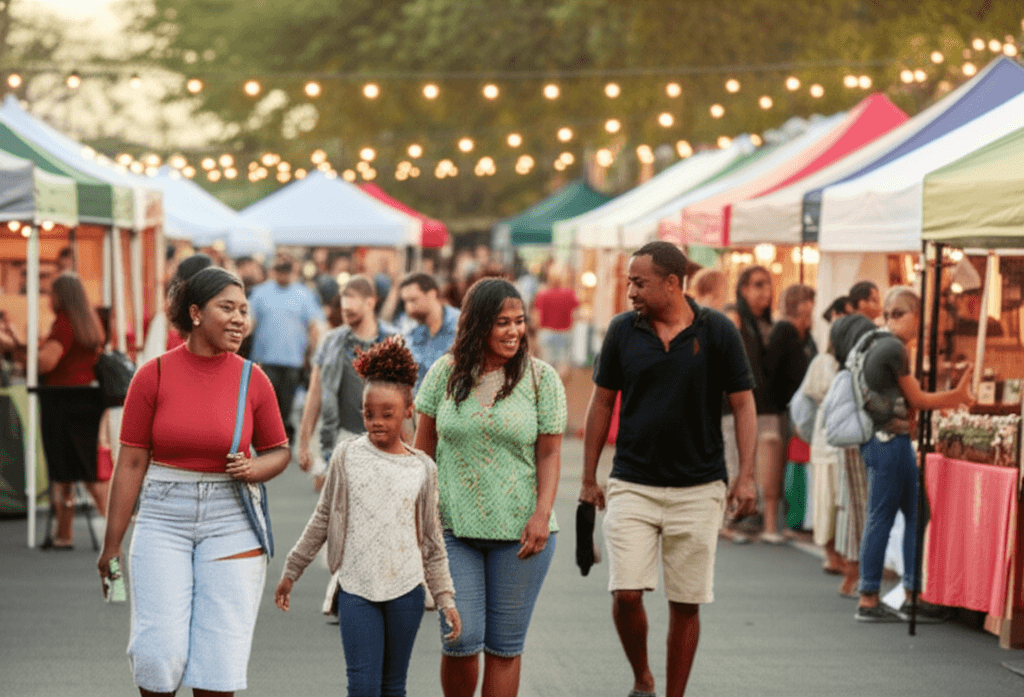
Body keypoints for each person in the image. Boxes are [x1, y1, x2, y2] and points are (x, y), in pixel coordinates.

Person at [97, 266, 290, 695]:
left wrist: (257, 468)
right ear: (196, 312)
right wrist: (111, 545)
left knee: (219, 661)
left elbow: (279, 450)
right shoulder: (153, 375)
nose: (241, 318)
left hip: (232, 518)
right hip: (163, 515)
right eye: (228, 308)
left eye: (244, 309)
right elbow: (130, 463)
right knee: (156, 652)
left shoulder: (252, 379)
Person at [579, 242, 758, 697]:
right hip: (632, 483)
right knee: (626, 593)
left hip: (699, 487)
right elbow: (601, 403)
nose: (630, 292)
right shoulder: (622, 331)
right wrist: (587, 478)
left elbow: (743, 404)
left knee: (686, 602)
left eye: (639, 283)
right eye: (629, 283)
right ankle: (642, 676)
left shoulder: (717, 330)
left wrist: (746, 475)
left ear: (672, 283)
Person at [276, 337, 462, 697]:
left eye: (387, 414)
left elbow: (432, 543)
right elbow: (322, 518)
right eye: (368, 413)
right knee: (362, 687)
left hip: (406, 591)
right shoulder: (346, 456)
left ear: (409, 410)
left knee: (393, 687)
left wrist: (446, 599)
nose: (376, 422)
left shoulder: (423, 468)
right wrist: (291, 570)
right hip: (356, 589)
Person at [414, 277, 566, 697]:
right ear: (477, 324)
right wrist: (416, 518)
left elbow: (550, 455)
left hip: (521, 535)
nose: (514, 331)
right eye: (502, 322)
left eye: (519, 322)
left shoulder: (541, 380)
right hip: (451, 530)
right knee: (460, 639)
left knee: (503, 648)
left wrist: (541, 514)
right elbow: (422, 451)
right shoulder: (444, 373)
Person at [854, 287, 973, 622]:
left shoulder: (878, 341)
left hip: (890, 440)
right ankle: (869, 596)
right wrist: (956, 396)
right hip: (888, 441)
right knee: (884, 516)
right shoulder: (892, 346)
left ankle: (909, 591)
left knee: (916, 512)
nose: (915, 325)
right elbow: (918, 398)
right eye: (893, 314)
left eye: (904, 315)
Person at [298, 276, 398, 487]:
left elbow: (406, 397)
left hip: (382, 440)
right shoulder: (331, 341)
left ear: (371, 302)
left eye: (352, 304)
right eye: (344, 308)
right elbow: (315, 393)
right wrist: (304, 442)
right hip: (340, 438)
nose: (346, 311)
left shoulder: (393, 340)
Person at [38, 272, 107, 549]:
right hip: (88, 398)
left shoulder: (63, 324)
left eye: (51, 294)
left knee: (62, 468)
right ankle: (108, 525)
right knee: (88, 468)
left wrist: (32, 351)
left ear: (61, 296)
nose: (48, 299)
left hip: (61, 400)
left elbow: (47, 363)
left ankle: (64, 533)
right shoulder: (90, 322)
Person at [802, 299, 854, 586]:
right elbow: (810, 394)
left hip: (842, 440)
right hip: (826, 440)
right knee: (827, 500)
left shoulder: (847, 363)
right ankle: (830, 552)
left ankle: (842, 554)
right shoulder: (823, 363)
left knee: (841, 500)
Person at [248, 252, 324, 444]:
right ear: (274, 271)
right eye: (280, 270)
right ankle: (267, 437)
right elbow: (250, 321)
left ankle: (283, 438)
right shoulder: (260, 293)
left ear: (294, 271)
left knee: (287, 404)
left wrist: (312, 355)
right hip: (266, 358)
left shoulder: (304, 294)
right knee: (266, 402)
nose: (283, 275)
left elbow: (314, 326)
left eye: (287, 271)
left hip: (293, 359)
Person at [734, 265, 784, 542]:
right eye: (757, 284)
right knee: (740, 461)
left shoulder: (770, 325)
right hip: (739, 405)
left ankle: (767, 524)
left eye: (768, 284)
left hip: (766, 406)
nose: (765, 291)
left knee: (768, 468)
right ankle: (735, 520)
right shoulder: (737, 321)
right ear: (743, 289)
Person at [398, 272, 460, 393]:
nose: (408, 308)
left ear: (431, 294)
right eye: (405, 302)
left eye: (413, 300)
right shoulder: (410, 329)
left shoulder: (460, 325)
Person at [532, 263, 579, 380]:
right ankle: (557, 388)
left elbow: (536, 318)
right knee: (564, 365)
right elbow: (576, 316)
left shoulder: (542, 295)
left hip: (546, 333)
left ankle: (548, 390)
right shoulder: (570, 294)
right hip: (565, 333)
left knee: (545, 366)